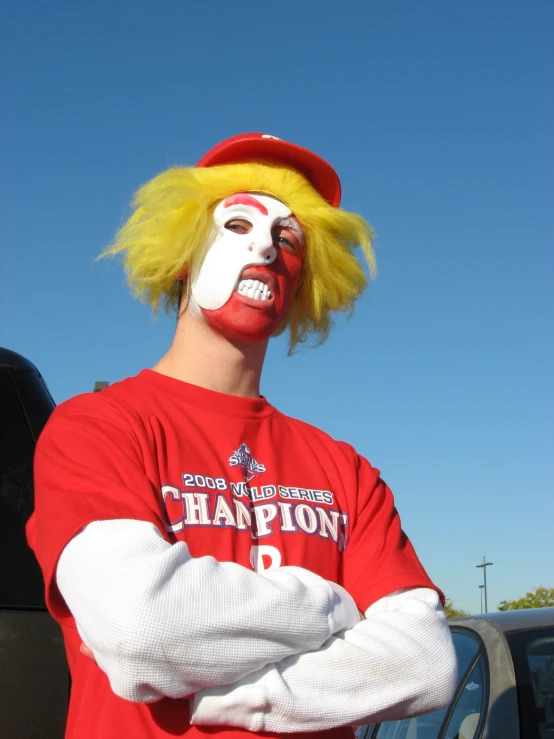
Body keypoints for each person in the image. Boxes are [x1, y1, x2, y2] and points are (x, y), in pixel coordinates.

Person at [27, 133, 457, 739]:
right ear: (180, 251)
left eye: (289, 237)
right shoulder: (94, 428)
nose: (267, 246)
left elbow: (424, 663)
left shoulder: (345, 469)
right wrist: (334, 606)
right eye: (237, 225)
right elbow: (141, 628)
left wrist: (243, 697)